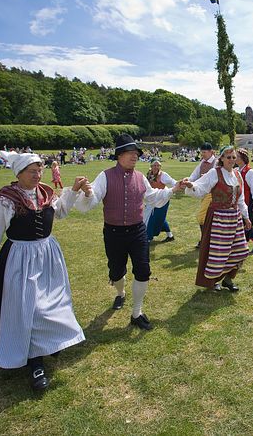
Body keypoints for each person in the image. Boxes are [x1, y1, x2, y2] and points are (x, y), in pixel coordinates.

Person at [0, 151, 87, 391]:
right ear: (18, 173)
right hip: (20, 260)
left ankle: (45, 346)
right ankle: (34, 362)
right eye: (32, 171)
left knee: (53, 303)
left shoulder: (46, 193)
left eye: (39, 170)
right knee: (30, 308)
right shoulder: (6, 200)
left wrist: (72, 190)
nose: (37, 175)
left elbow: (60, 212)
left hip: (48, 257)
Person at [76, 134, 183, 330]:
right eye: (130, 153)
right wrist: (87, 192)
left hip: (137, 231)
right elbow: (92, 201)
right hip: (114, 232)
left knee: (143, 270)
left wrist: (173, 189)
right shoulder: (105, 176)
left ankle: (137, 312)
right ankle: (120, 293)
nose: (134, 156)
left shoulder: (141, 177)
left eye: (136, 153)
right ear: (119, 155)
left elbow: (153, 197)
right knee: (116, 272)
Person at [184, 145, 251, 291]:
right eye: (229, 157)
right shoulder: (215, 173)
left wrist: (246, 217)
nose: (232, 160)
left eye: (234, 157)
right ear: (221, 158)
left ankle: (228, 279)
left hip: (235, 218)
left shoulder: (238, 175)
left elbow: (240, 200)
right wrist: (191, 185)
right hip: (218, 219)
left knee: (240, 250)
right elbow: (200, 188)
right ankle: (213, 282)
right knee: (218, 253)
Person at [189, 143, 217, 248]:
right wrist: (187, 180)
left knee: (201, 217)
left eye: (204, 152)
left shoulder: (216, 162)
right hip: (204, 194)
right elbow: (194, 175)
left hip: (212, 194)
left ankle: (204, 241)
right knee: (207, 218)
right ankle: (206, 240)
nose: (203, 154)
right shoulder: (202, 162)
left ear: (211, 152)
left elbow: (213, 177)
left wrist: (205, 178)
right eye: (202, 152)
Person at [144, 159, 177, 243]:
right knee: (160, 218)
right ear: (151, 166)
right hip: (153, 198)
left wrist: (179, 185)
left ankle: (148, 238)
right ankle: (170, 235)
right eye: (154, 165)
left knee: (154, 217)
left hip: (162, 199)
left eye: (158, 165)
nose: (156, 167)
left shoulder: (163, 175)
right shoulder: (149, 174)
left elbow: (172, 181)